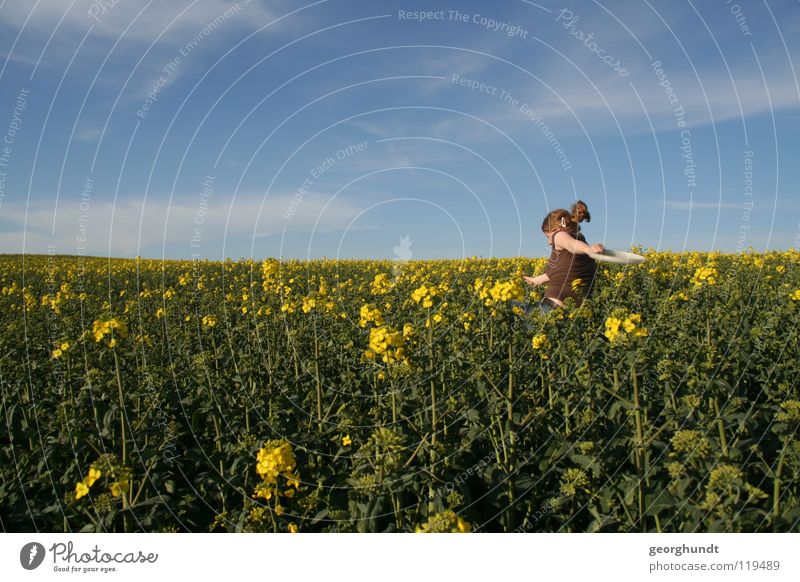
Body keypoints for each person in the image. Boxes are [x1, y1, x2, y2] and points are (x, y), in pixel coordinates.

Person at [516, 207, 603, 315]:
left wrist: (588, 250)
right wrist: (536, 280)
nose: (549, 242)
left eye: (548, 236)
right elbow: (557, 272)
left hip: (551, 309)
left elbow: (572, 245)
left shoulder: (559, 235)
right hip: (575, 314)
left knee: (512, 306)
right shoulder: (580, 239)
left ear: (555, 230)